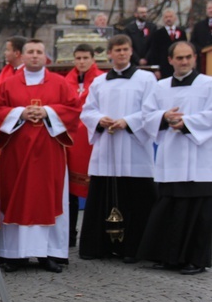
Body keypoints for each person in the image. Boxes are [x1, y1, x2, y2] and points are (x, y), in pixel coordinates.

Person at [0, 39, 80, 273]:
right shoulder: (7, 85)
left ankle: (48, 254)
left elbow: (74, 109)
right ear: (23, 56)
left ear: (45, 57)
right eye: (30, 52)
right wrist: (19, 113)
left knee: (48, 199)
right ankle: (14, 254)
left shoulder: (60, 84)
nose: (35, 56)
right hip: (16, 154)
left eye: (39, 52)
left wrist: (48, 112)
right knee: (16, 198)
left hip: (49, 154)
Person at [79, 34, 157, 262]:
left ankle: (135, 249)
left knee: (139, 199)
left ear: (131, 51)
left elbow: (151, 110)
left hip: (134, 149)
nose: (121, 53)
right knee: (102, 197)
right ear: (109, 54)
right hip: (107, 147)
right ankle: (97, 247)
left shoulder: (146, 79)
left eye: (125, 49)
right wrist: (100, 119)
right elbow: (87, 110)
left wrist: (128, 121)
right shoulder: (99, 82)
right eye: (117, 50)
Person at [138, 41, 212, 275]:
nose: (184, 62)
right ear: (170, 60)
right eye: (179, 58)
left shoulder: (208, 84)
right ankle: (168, 256)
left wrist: (186, 123)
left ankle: (195, 260)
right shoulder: (160, 87)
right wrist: (164, 116)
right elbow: (146, 115)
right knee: (170, 208)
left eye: (188, 57)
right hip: (170, 155)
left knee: (198, 213)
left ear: (194, 58)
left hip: (198, 157)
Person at [63, 44, 104, 248]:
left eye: (85, 58)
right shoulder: (65, 81)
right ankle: (70, 234)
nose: (81, 62)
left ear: (92, 58)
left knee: (94, 189)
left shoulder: (102, 80)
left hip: (90, 141)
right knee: (69, 191)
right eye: (78, 58)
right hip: (69, 141)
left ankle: (95, 234)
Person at [147, 9, 187, 79]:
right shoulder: (157, 34)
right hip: (163, 68)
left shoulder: (181, 33)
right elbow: (154, 52)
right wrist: (156, 70)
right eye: (166, 17)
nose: (168, 19)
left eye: (170, 17)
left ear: (175, 18)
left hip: (178, 67)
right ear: (163, 19)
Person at [190, 1, 212, 71]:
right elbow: (193, 42)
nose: (211, 10)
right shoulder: (199, 26)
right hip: (201, 60)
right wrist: (201, 50)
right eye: (209, 8)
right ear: (206, 10)